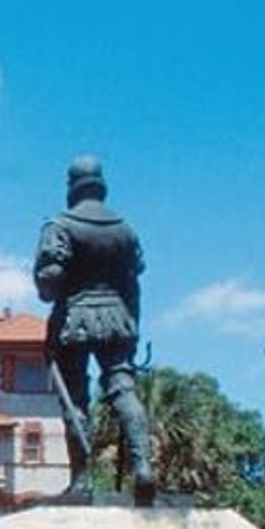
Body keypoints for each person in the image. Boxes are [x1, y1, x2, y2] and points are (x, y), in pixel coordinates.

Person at [33, 155, 155, 505]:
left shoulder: (60, 225)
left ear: (71, 187)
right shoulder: (125, 229)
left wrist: (47, 281)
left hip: (76, 318)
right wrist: (133, 324)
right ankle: (143, 466)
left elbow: (49, 283)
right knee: (121, 386)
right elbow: (133, 284)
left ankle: (83, 479)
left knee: (76, 396)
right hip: (119, 318)